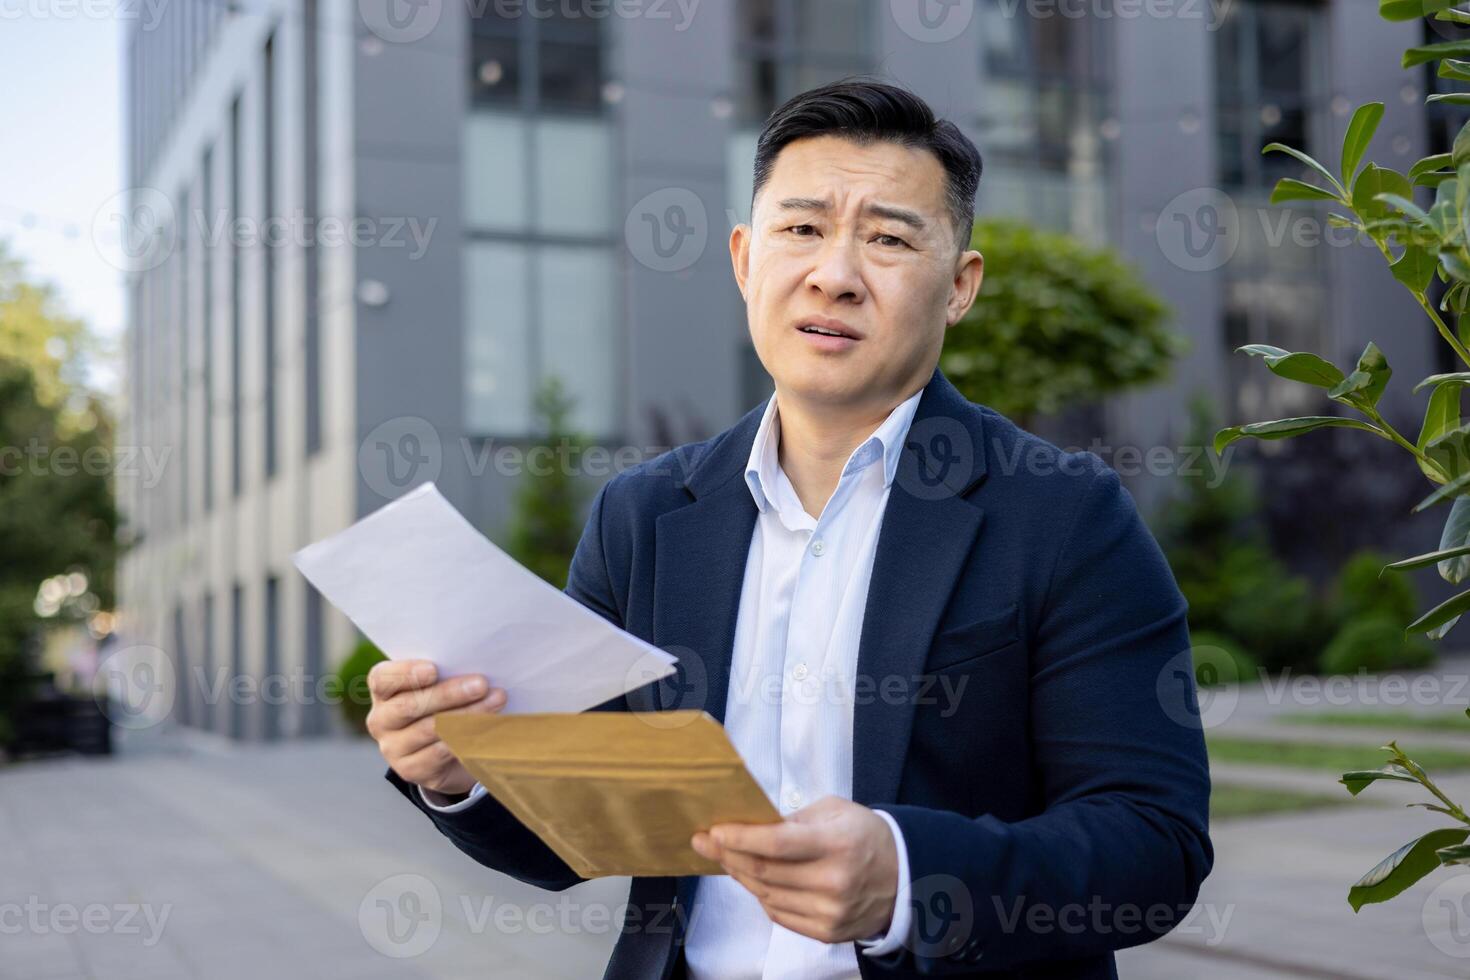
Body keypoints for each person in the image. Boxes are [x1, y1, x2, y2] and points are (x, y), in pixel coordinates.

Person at [366, 77, 1212, 979]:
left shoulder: (1064, 515)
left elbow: (1152, 841)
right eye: (801, 229)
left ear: (960, 286)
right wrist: (460, 776)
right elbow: (576, 825)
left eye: (888, 238)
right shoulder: (646, 516)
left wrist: (910, 875)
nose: (835, 274)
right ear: (743, 258)